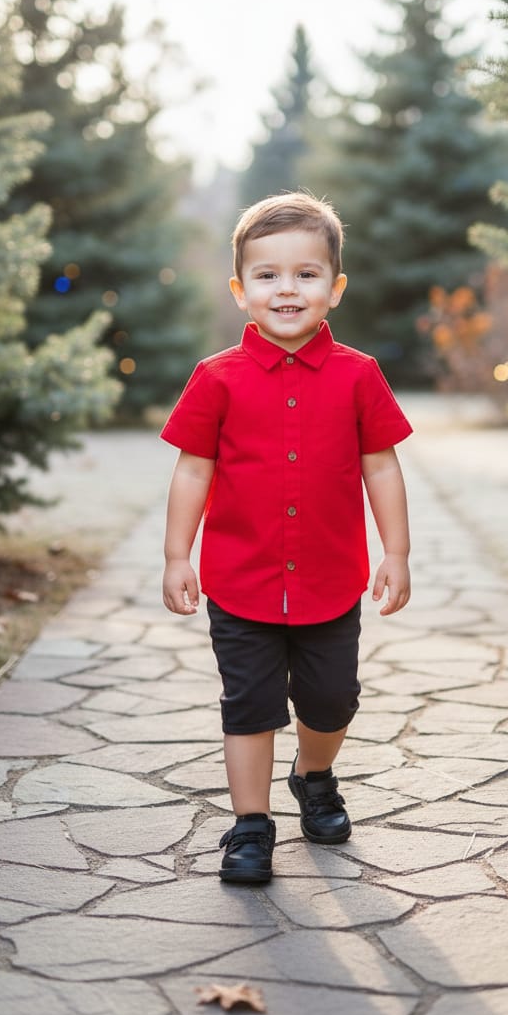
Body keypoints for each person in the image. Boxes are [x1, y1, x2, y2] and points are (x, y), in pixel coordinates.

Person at [161, 191, 412, 884]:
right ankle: (251, 824)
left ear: (335, 288)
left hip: (330, 580)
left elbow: (382, 466)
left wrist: (396, 552)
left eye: (306, 274)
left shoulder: (359, 375)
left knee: (332, 700)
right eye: (267, 275)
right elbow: (192, 471)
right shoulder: (216, 378)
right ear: (240, 291)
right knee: (249, 705)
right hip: (240, 581)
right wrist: (177, 555)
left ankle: (315, 775)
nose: (287, 289)